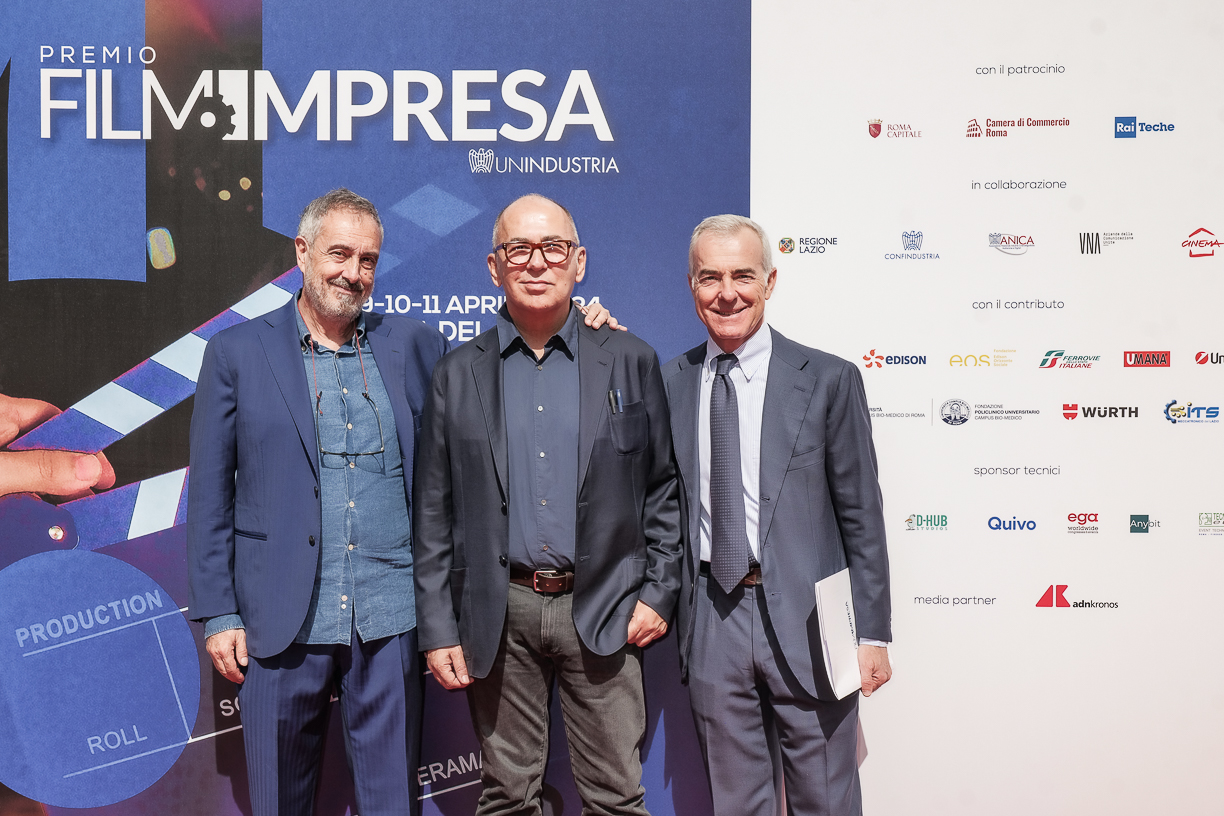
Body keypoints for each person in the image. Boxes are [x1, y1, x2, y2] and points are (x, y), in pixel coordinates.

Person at [186, 188, 619, 816]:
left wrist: (583, 324)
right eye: (339, 254)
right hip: (278, 621)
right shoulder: (236, 353)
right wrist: (220, 612)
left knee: (392, 803)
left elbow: (512, 365)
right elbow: (210, 497)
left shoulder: (417, 347)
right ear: (302, 252)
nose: (353, 273)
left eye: (368, 260)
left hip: (390, 621)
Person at [413, 194, 681, 816]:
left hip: (607, 605)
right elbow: (432, 514)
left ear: (578, 262)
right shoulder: (457, 374)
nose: (537, 263)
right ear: (494, 266)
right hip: (499, 614)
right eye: (519, 250)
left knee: (617, 798)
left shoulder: (631, 359)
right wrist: (438, 626)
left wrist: (659, 591)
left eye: (553, 248)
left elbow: (662, 489)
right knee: (507, 798)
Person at [660, 214, 892, 816]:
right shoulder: (670, 383)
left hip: (814, 620)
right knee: (735, 804)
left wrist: (872, 634)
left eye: (743, 275)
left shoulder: (829, 380)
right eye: (710, 277)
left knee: (826, 800)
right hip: (712, 617)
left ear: (770, 281)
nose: (727, 293)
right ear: (691, 285)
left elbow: (862, 517)